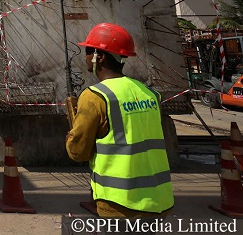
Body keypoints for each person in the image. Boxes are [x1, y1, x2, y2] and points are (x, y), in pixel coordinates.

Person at [66, 22, 174, 219]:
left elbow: (78, 153)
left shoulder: (95, 96)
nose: (86, 57)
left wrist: (71, 137)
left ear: (101, 57)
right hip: (160, 199)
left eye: (89, 51)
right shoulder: (148, 93)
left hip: (121, 204)